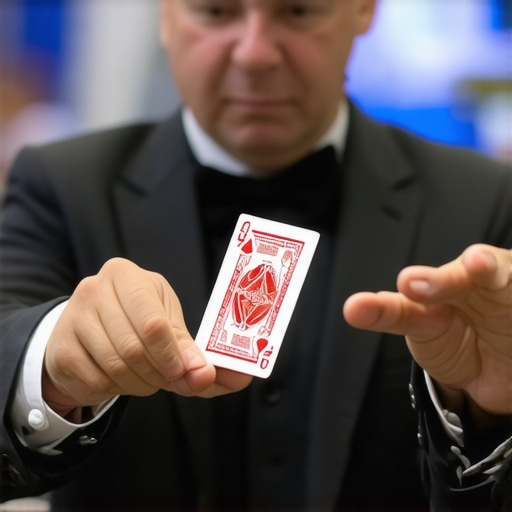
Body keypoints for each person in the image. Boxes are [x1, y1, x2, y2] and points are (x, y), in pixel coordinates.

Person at [0, 0, 511, 510]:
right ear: (164, 15)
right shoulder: (61, 185)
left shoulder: (485, 202)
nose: (255, 53)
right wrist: (50, 362)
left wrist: (492, 413)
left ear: (363, 10)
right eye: (217, 12)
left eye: (298, 11)